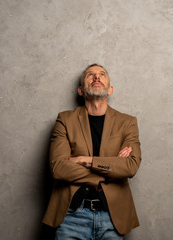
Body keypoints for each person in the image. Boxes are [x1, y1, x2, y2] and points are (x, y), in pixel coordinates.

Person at [42, 63, 142, 239]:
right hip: (71, 216)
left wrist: (83, 159)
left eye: (102, 74)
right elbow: (58, 168)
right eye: (90, 75)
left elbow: (130, 166)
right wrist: (107, 171)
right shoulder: (65, 119)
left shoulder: (127, 122)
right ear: (80, 91)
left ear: (110, 89)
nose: (96, 77)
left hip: (113, 217)